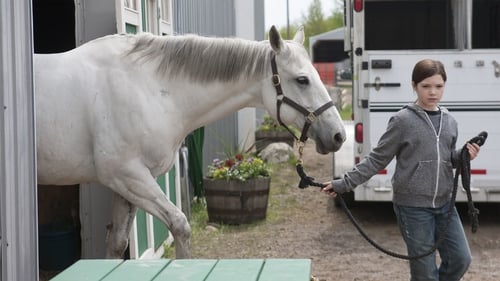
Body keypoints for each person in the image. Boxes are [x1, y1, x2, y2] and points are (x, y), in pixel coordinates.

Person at [322, 59, 481, 281]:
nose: (433, 92)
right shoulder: (402, 120)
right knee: (424, 274)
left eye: (438, 86)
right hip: (413, 208)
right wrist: (344, 183)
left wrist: (463, 156)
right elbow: (377, 159)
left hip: (445, 205)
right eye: (426, 86)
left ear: (444, 85)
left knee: (461, 259)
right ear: (414, 85)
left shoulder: (450, 121)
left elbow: (447, 159)